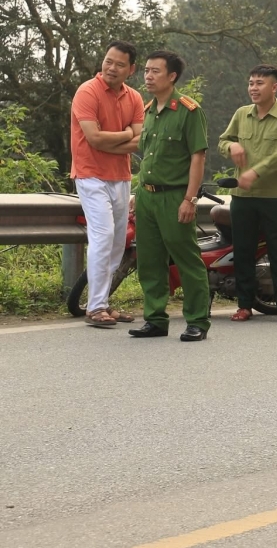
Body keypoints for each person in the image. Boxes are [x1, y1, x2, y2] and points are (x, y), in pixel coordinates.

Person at [127, 51, 210, 342]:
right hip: (147, 197)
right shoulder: (149, 110)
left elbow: (197, 158)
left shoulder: (188, 110)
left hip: (175, 196)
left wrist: (190, 199)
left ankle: (197, 320)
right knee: (150, 260)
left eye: (155, 72)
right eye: (146, 71)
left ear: (172, 76)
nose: (148, 76)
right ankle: (155, 319)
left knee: (186, 259)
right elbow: (149, 158)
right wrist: (138, 192)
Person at [218, 65, 277, 322]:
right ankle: (245, 305)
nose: (253, 88)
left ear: (274, 87)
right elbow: (223, 140)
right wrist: (231, 145)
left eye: (259, 83)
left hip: (274, 197)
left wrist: (255, 172)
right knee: (243, 251)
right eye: (251, 83)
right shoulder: (242, 114)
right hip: (242, 198)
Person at [70, 40, 145, 328]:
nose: (111, 68)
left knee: (117, 241)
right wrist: (125, 134)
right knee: (102, 236)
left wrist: (112, 139)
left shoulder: (134, 97)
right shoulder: (87, 91)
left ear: (131, 69)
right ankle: (96, 307)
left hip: (121, 176)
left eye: (119, 64)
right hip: (90, 174)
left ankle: (101, 301)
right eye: (108, 61)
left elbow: (140, 140)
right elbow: (94, 138)